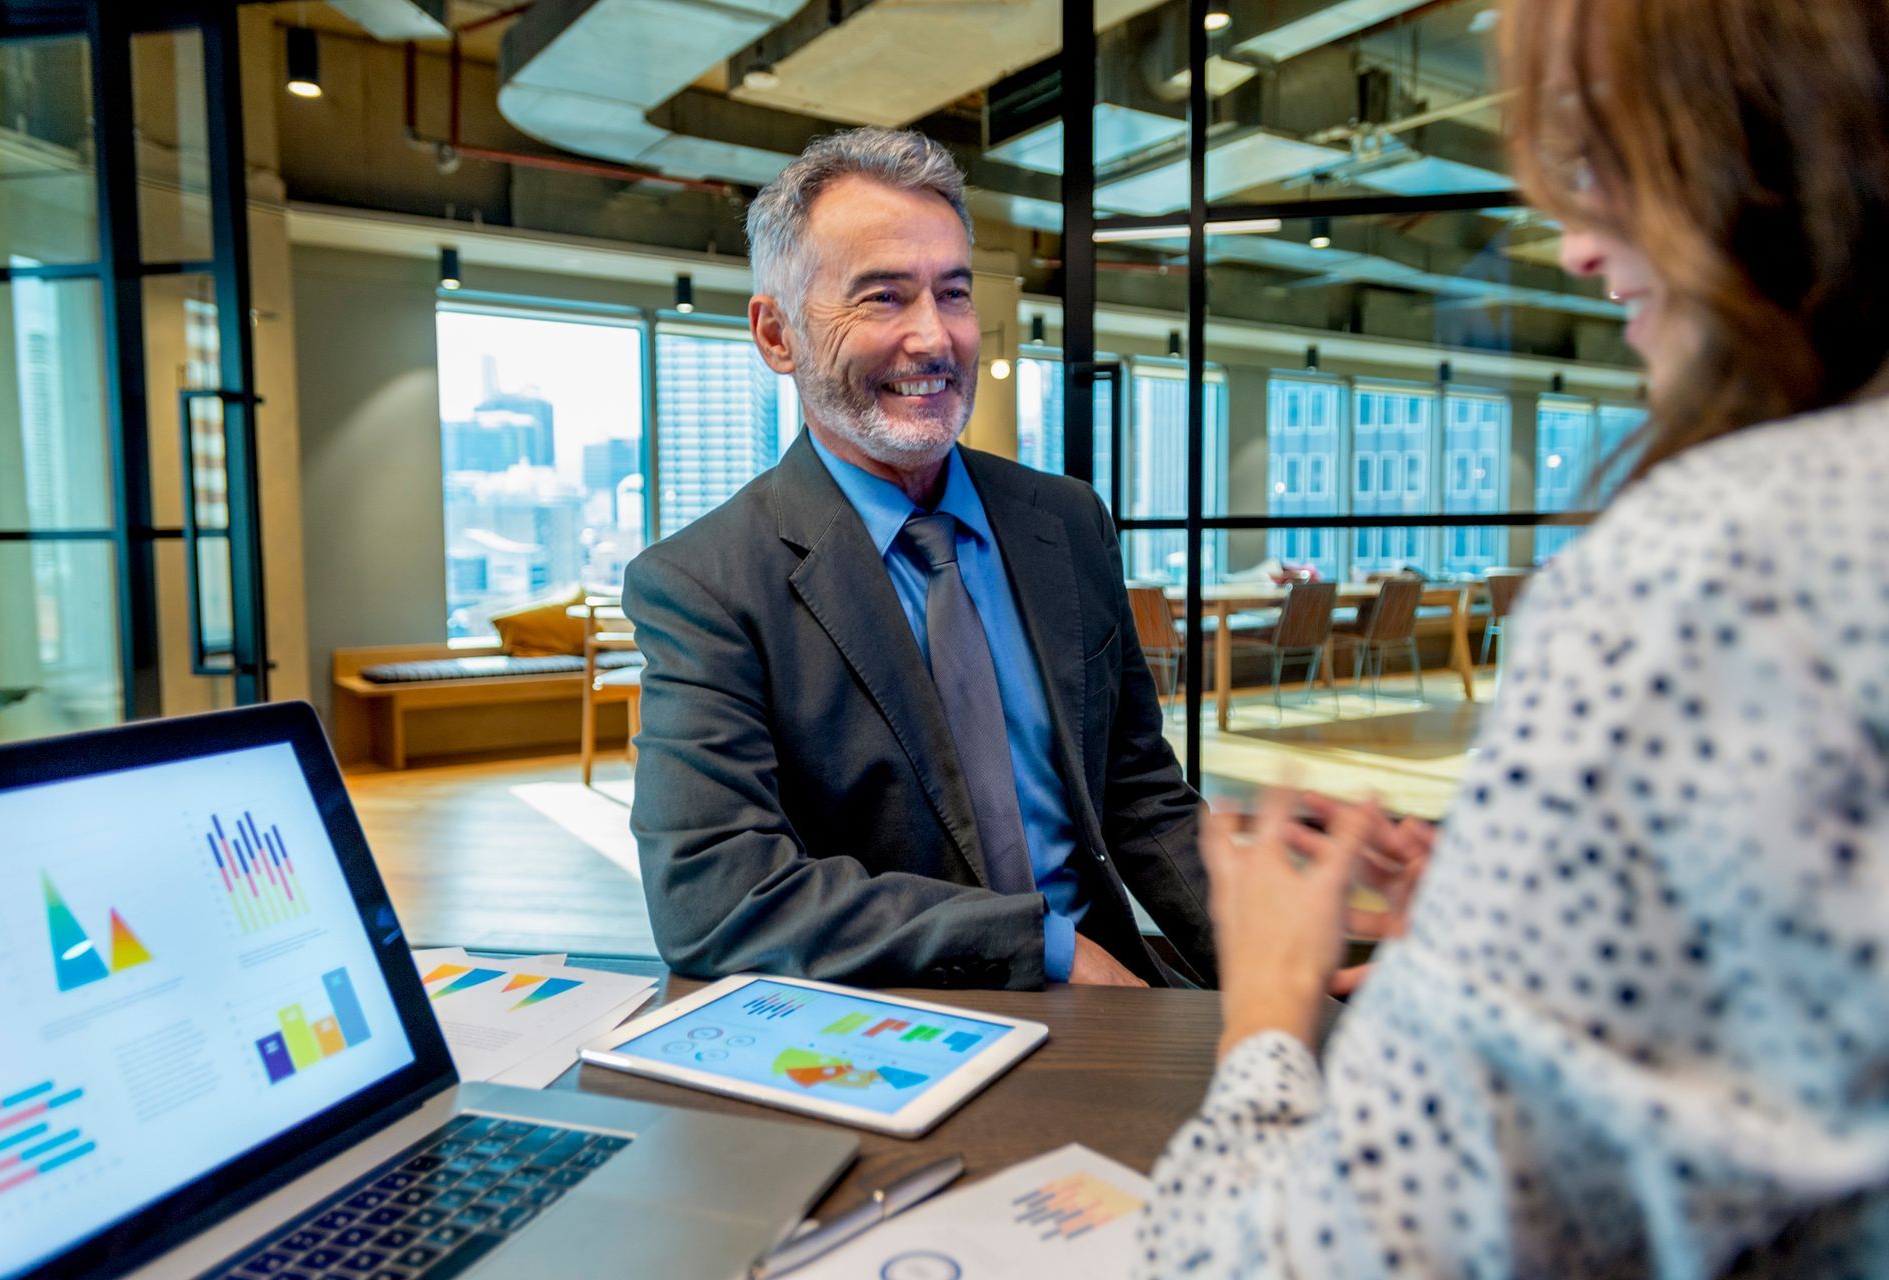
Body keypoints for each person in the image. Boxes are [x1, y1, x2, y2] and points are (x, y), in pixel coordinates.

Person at [1140, 0, 1889, 1273]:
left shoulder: (1703, 566)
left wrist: (1266, 1002)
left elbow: (1283, 1260)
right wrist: (1537, 913)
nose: (1575, 245)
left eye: (1604, 165)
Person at [621, 127, 1214, 991]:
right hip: (902, 1022)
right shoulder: (704, 584)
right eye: (884, 297)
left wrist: (1285, 968)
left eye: (955, 293)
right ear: (777, 333)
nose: (935, 338)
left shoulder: (1068, 521)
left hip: (1120, 997)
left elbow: (1140, 796)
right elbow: (716, 898)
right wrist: (1043, 946)